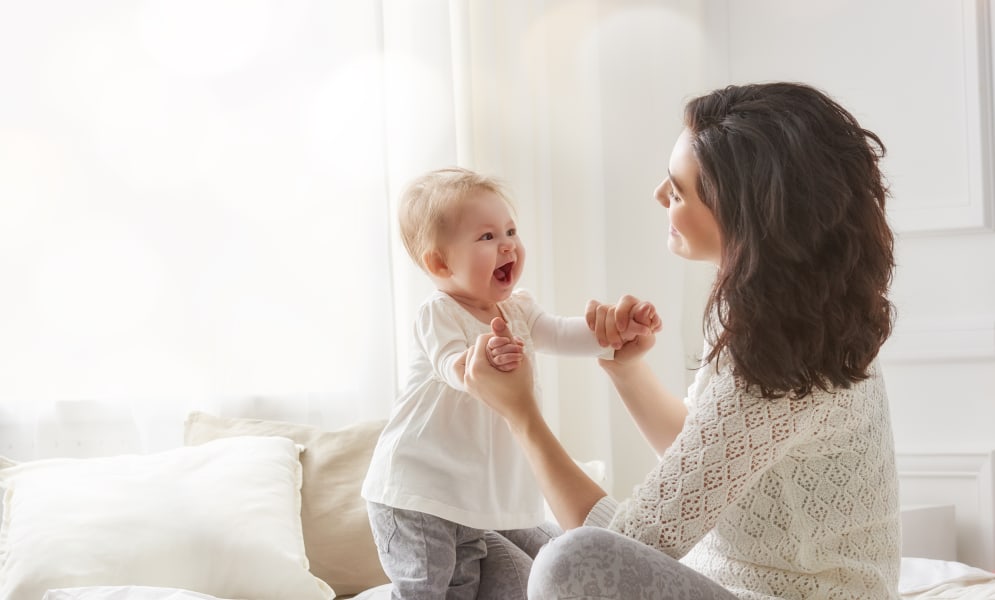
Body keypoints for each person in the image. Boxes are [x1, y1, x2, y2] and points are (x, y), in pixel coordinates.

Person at [463, 82, 900, 600]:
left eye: (678, 190)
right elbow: (707, 451)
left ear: (745, 216)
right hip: (731, 584)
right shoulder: (786, 320)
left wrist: (521, 415)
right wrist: (626, 370)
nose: (657, 196)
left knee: (564, 559)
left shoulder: (786, 364)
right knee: (513, 544)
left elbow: (621, 545)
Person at [360, 166, 661, 600]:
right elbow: (452, 365)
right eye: (487, 237)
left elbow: (559, 333)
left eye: (511, 230)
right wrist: (478, 360)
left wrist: (613, 330)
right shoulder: (439, 312)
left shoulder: (517, 310)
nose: (507, 245)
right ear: (439, 262)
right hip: (415, 491)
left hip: (465, 499)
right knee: (424, 588)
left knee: (463, 588)